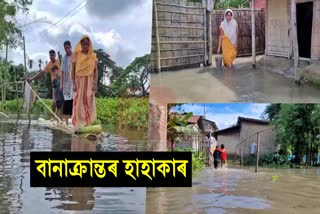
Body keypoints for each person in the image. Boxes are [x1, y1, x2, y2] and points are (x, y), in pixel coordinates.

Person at [71, 35, 98, 127]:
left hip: (90, 81)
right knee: (78, 101)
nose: (85, 45)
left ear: (89, 44)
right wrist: (73, 83)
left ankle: (87, 123)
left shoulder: (93, 56)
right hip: (79, 81)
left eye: (87, 44)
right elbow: (73, 70)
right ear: (81, 44)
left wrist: (95, 83)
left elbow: (96, 70)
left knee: (88, 101)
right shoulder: (76, 54)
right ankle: (78, 123)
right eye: (83, 44)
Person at [61, 40, 74, 126]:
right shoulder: (63, 58)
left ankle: (73, 121)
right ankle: (66, 123)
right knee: (66, 102)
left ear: (70, 47)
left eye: (68, 48)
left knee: (73, 101)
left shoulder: (75, 56)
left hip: (73, 82)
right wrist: (61, 83)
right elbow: (62, 71)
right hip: (66, 83)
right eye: (65, 48)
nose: (67, 50)